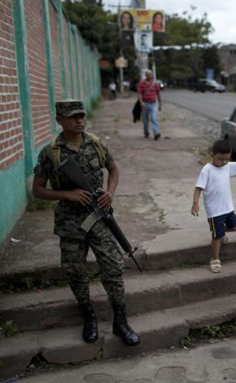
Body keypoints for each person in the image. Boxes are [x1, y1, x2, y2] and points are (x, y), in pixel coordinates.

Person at [32, 100, 140, 347]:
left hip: (98, 218)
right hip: (70, 223)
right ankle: (89, 316)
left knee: (113, 266)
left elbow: (113, 170)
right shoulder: (51, 152)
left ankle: (120, 321)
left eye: (81, 116)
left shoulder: (96, 143)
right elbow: (37, 190)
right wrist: (66, 194)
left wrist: (110, 193)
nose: (80, 121)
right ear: (59, 120)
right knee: (75, 271)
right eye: (73, 117)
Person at [191, 139, 236, 273]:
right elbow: (198, 187)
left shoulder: (226, 167)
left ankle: (220, 232)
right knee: (216, 237)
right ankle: (215, 259)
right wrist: (195, 203)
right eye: (220, 159)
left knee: (235, 227)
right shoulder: (207, 170)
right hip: (214, 210)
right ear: (212, 155)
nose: (223, 162)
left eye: (227, 159)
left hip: (227, 207)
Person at [137, 69, 162, 140]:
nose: (149, 76)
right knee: (145, 120)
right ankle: (146, 132)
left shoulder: (155, 83)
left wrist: (160, 104)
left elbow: (158, 94)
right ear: (145, 75)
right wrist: (141, 102)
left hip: (154, 103)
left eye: (150, 74)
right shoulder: (141, 83)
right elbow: (139, 94)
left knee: (154, 118)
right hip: (145, 103)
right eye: (148, 74)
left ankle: (156, 132)